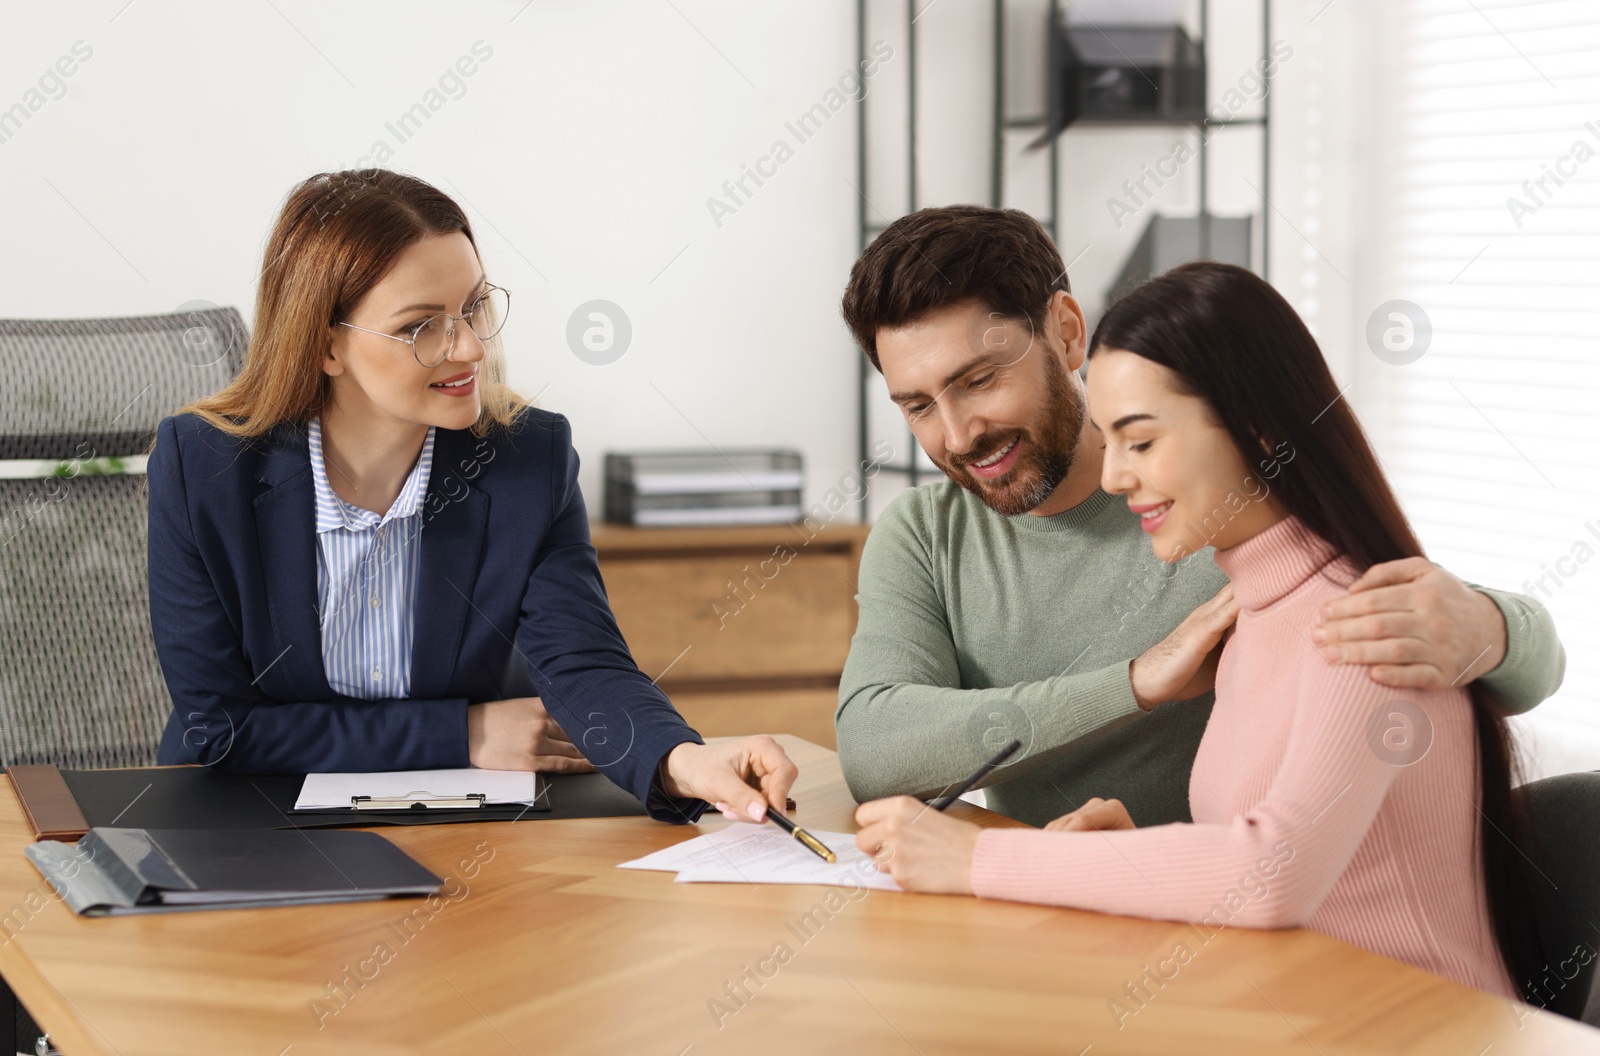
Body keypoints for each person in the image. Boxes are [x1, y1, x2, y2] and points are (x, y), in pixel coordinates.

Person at [855, 261, 1541, 999]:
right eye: (917, 405)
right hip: (1270, 1006)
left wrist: (972, 861)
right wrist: (1136, 854)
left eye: (1141, 442)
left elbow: (1272, 869)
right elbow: (1284, 855)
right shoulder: (1251, 608)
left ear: (1258, 429)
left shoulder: (1361, 621)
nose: (1116, 477)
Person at [836, 206, 1563, 831]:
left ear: (1064, 331)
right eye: (920, 406)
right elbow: (875, 751)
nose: (959, 435)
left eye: (980, 380)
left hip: (1230, 933)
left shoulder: (1209, 500)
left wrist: (1488, 628)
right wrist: (1137, 682)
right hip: (1065, 909)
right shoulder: (926, 535)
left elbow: (1525, 666)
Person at [147, 169, 795, 824]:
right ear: (326, 344)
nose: (469, 347)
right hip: (243, 827)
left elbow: (585, 663)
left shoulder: (525, 461)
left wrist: (683, 759)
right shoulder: (203, 468)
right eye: (422, 326)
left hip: (459, 826)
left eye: (475, 307)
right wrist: (463, 733)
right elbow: (219, 728)